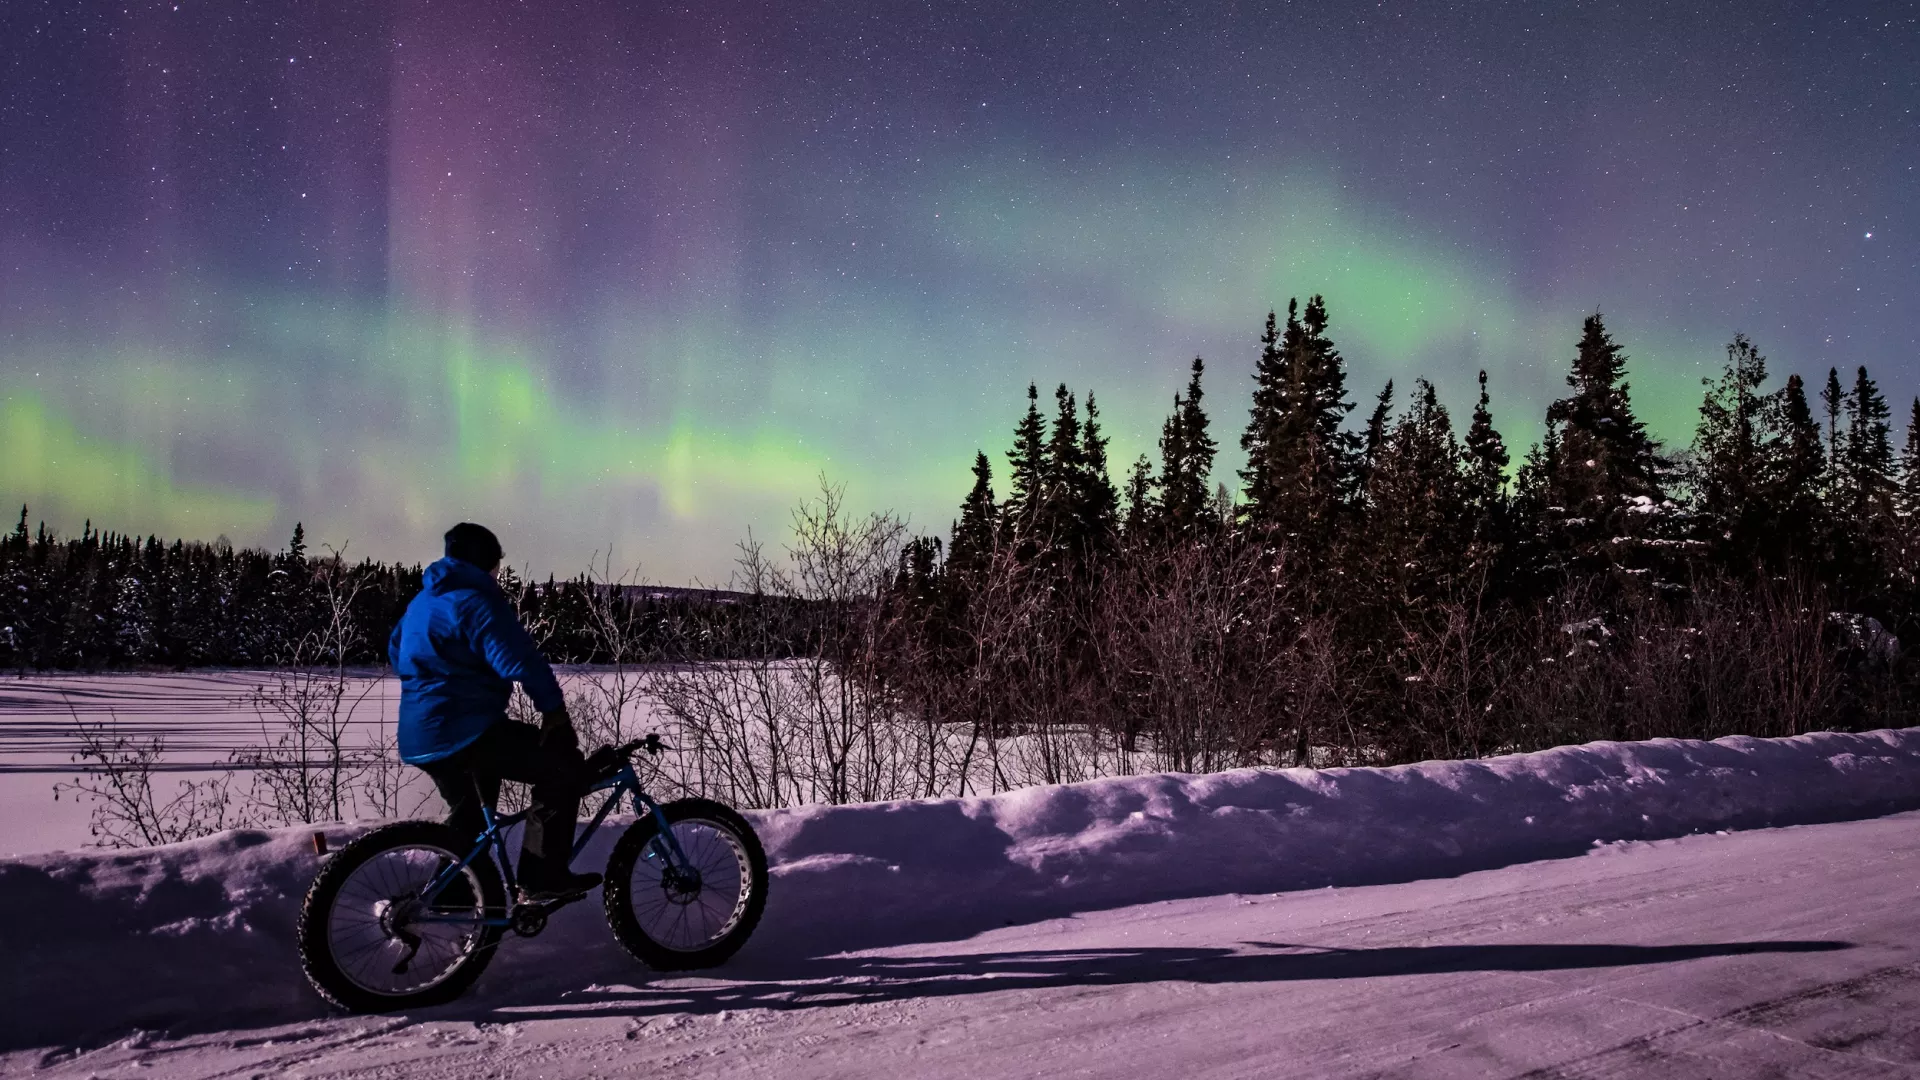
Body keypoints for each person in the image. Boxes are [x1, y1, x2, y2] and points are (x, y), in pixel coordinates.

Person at [389, 522, 601, 900]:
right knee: (561, 765)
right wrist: (554, 713)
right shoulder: (475, 601)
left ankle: (449, 899)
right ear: (485, 560)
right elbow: (519, 660)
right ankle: (541, 877)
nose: (497, 573)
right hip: (464, 728)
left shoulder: (422, 602)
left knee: (469, 814)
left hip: (420, 733)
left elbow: (396, 650)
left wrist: (437, 677)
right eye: (496, 564)